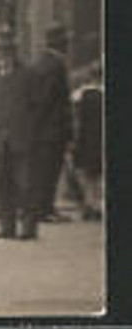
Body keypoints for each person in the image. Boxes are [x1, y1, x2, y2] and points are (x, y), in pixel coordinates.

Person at [24, 23, 74, 226]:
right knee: (50, 171)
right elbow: (46, 100)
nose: (68, 44)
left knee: (44, 170)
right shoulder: (55, 65)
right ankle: (45, 209)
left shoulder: (40, 62)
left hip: (44, 129)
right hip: (52, 130)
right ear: (59, 42)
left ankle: (43, 208)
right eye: (65, 40)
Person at [0, 29, 30, 239]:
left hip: (22, 137)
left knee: (25, 184)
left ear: (14, 53)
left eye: (6, 51)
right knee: (1, 184)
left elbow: (36, 106)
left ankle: (28, 227)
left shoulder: (28, 74)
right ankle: (7, 227)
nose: (2, 55)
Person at [71, 65, 103, 221]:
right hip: (100, 137)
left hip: (85, 137)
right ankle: (96, 205)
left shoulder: (79, 95)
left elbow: (75, 119)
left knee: (86, 173)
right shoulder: (103, 94)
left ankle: (90, 204)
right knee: (97, 174)